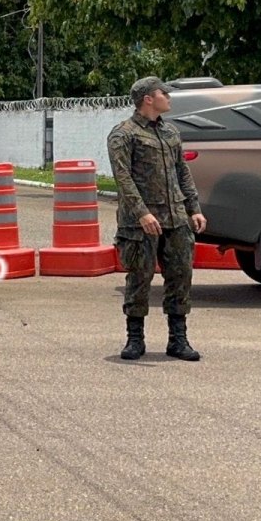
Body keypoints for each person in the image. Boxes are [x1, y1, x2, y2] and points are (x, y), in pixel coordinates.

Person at [107, 76, 205, 361]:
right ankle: (135, 339)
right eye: (164, 93)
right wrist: (142, 213)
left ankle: (178, 339)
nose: (169, 97)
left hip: (175, 219)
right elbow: (123, 179)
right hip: (141, 223)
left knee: (180, 276)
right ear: (148, 98)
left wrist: (194, 208)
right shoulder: (123, 134)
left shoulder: (171, 133)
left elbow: (182, 173)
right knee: (140, 277)